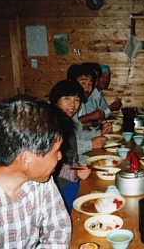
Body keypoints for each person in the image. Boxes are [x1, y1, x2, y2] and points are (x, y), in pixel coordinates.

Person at [0, 95, 71, 247]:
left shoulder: (41, 179)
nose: (60, 156)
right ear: (27, 159)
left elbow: (59, 231)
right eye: (56, 151)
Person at [49, 80, 92, 211]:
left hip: (67, 180)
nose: (72, 104)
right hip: (57, 185)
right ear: (56, 100)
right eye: (67, 98)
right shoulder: (51, 124)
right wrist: (75, 174)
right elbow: (53, 165)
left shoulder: (66, 122)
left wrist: (78, 169)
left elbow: (72, 159)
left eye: (77, 100)